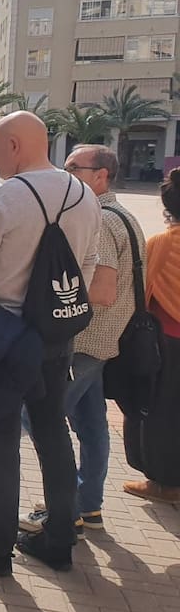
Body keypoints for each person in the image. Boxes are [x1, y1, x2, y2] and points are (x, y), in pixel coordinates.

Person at [0, 111, 100, 576]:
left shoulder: (4, 197)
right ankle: (59, 540)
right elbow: (85, 266)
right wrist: (61, 319)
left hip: (3, 339)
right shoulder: (84, 195)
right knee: (54, 433)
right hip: (54, 339)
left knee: (2, 437)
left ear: (14, 145)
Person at [19, 144, 145, 538]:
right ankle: (87, 504)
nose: (65, 173)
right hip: (104, 342)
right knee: (91, 427)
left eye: (74, 167)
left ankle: (64, 509)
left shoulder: (102, 219)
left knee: (42, 421)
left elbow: (103, 289)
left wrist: (51, 295)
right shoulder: (123, 215)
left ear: (101, 176)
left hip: (86, 341)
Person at [122, 167, 180, 503]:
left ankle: (164, 483)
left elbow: (140, 293)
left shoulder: (162, 243)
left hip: (168, 343)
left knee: (159, 413)